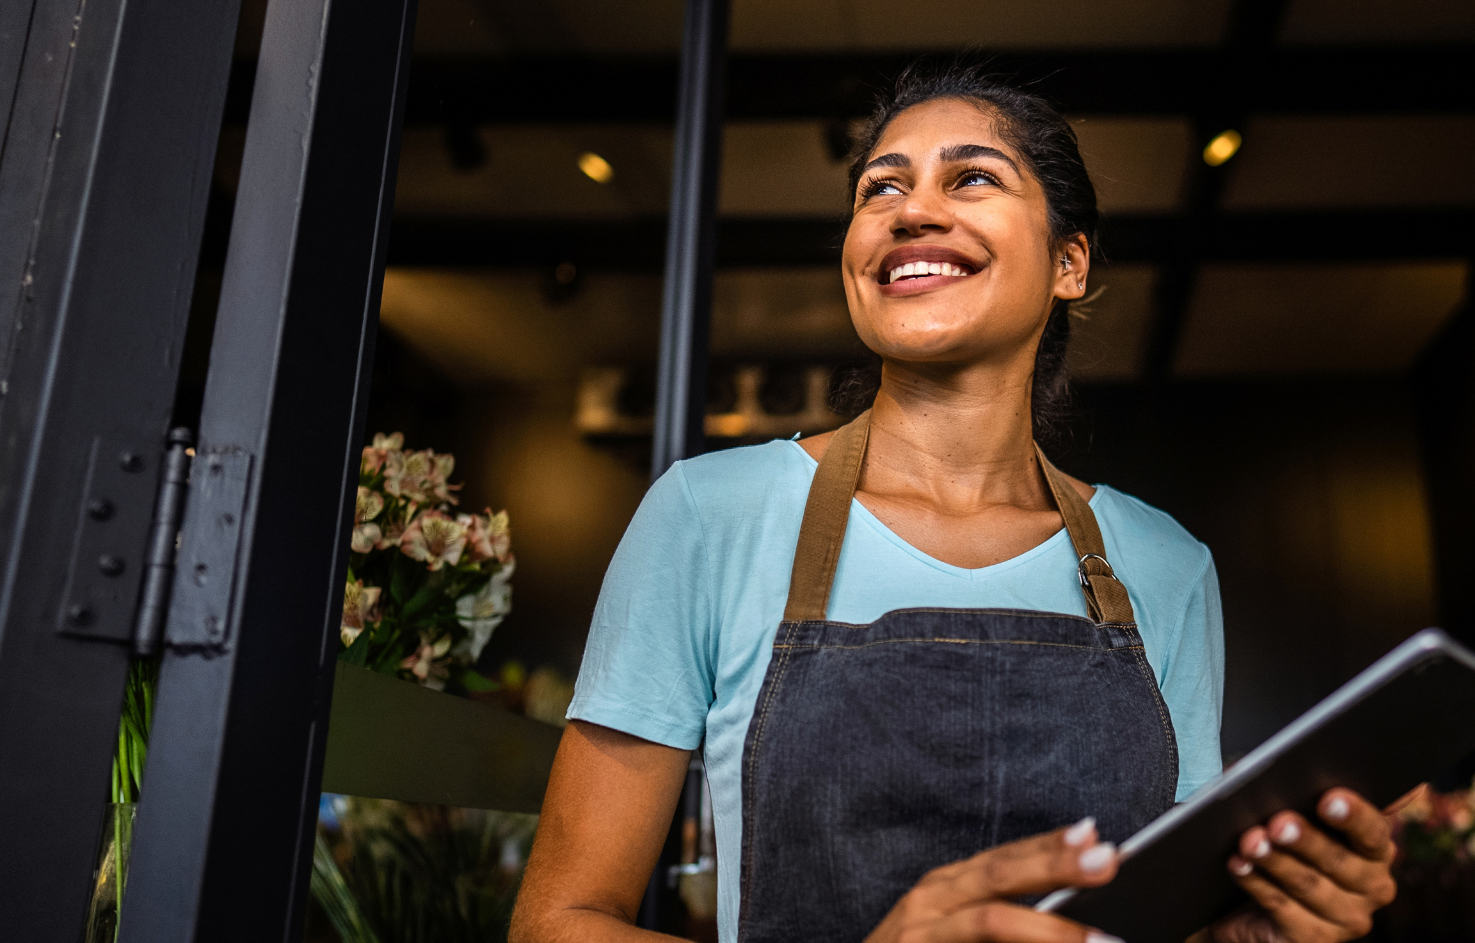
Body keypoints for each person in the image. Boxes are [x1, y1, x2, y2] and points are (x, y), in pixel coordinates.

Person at [510, 67, 1400, 943]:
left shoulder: (1166, 567)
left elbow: (1166, 918)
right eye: (879, 188)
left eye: (971, 177)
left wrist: (1251, 935)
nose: (911, 210)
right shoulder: (709, 514)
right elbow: (556, 923)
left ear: (1070, 261)